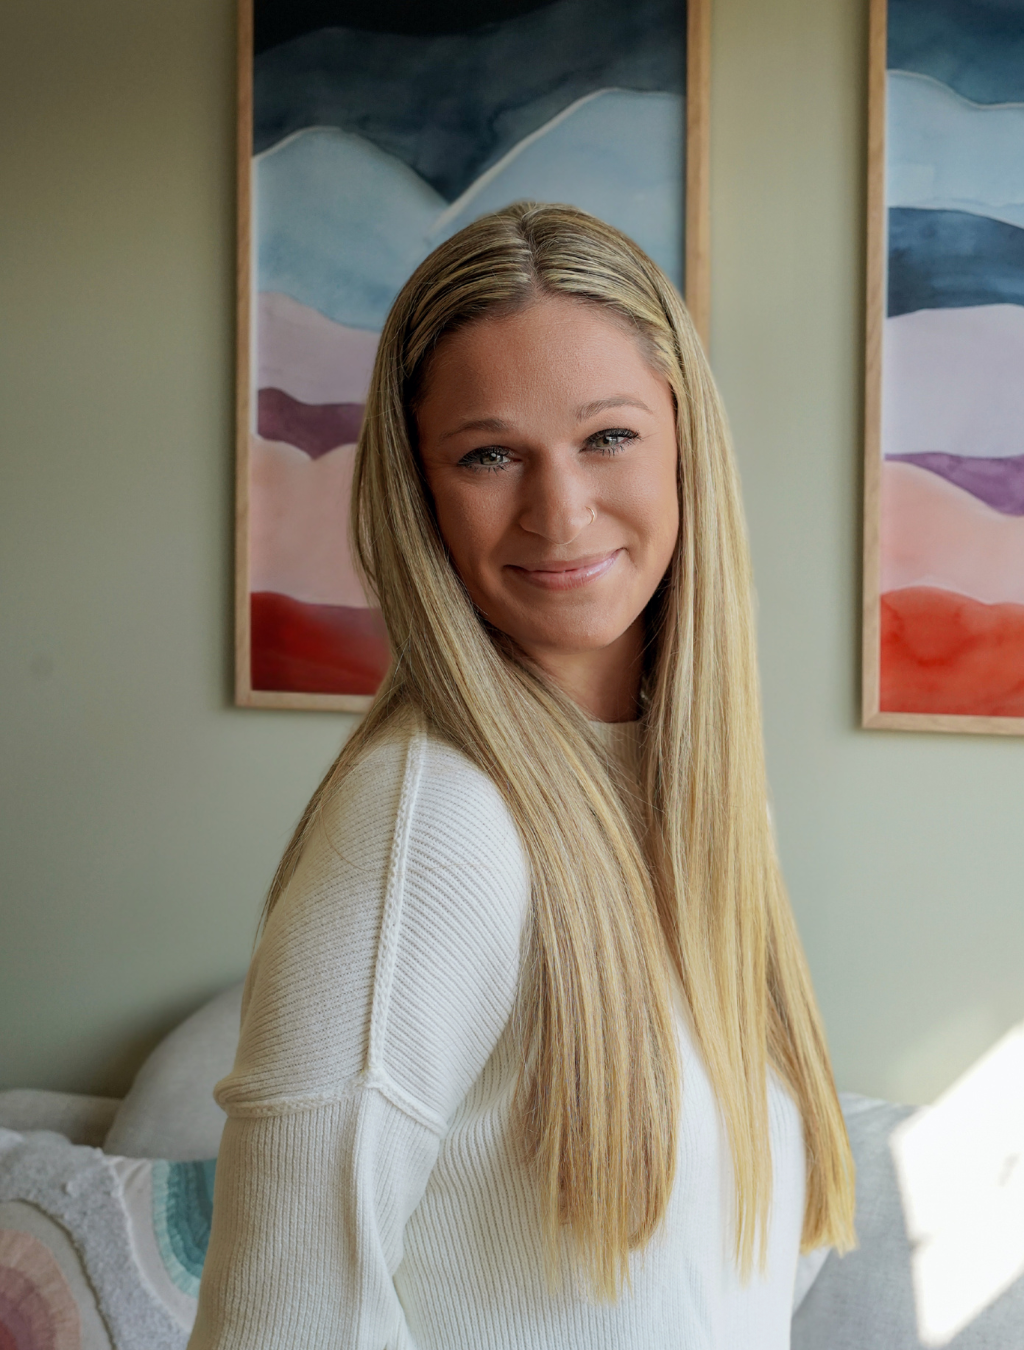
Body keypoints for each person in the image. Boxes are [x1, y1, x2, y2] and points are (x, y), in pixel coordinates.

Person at [189, 201, 854, 1349]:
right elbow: (278, 1324)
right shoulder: (432, 824)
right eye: (489, 455)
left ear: (685, 440)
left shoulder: (694, 795)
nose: (561, 511)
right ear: (421, 493)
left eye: (608, 437)